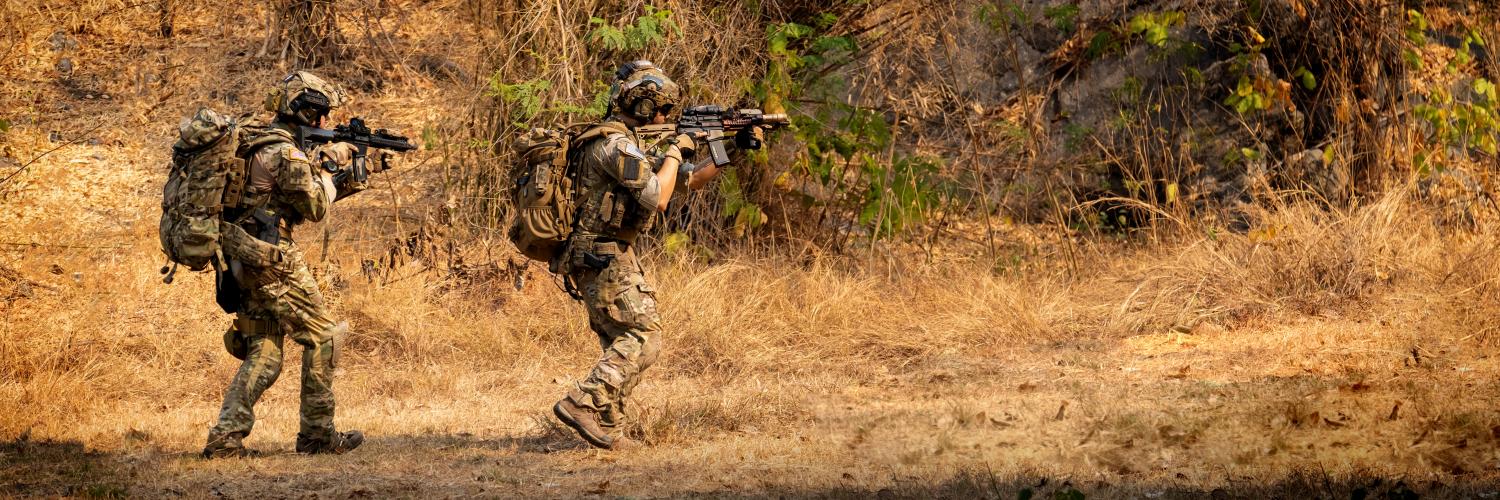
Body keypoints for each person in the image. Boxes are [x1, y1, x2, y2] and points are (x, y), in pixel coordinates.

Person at [550, 60, 762, 449]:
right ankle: (582, 402)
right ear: (646, 107)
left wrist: (732, 146)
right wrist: (678, 148)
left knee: (620, 340)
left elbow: (689, 180)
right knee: (644, 335)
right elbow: (658, 197)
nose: (666, 117)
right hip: (601, 254)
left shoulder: (626, 143)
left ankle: (609, 429)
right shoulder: (614, 144)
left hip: (606, 252)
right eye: (663, 109)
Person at [201, 71, 366, 458]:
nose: (325, 122)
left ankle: (225, 440)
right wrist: (329, 166)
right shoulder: (287, 153)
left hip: (241, 256)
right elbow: (315, 207)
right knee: (324, 336)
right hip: (270, 258)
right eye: (320, 114)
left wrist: (353, 174)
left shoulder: (257, 141)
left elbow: (287, 205)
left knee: (266, 350)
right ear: (305, 113)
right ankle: (317, 436)